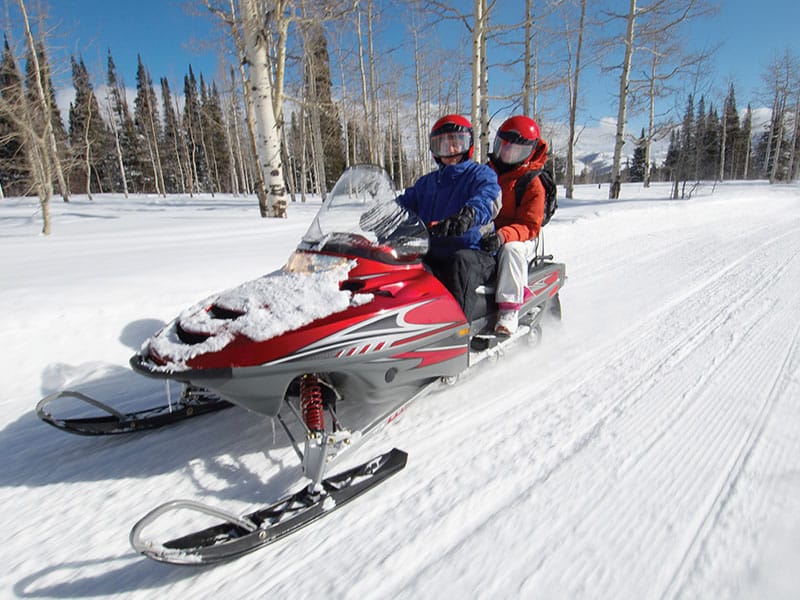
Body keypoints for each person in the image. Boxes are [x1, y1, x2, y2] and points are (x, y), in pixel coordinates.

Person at [395, 114, 501, 321]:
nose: (451, 150)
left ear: (468, 144)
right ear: (435, 150)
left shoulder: (480, 174)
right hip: (432, 249)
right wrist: (383, 213)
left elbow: (489, 197)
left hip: (474, 251)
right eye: (443, 145)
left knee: (461, 264)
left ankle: (457, 333)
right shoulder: (427, 183)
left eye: (457, 143)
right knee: (404, 265)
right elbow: (404, 203)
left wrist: (468, 216)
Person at [484, 115, 549, 335]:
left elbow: (529, 225)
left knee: (511, 251)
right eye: (503, 146)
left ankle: (508, 310)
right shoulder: (487, 172)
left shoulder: (531, 183)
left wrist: (503, 236)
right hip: (489, 231)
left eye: (515, 149)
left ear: (528, 151)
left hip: (521, 237)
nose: (507, 153)